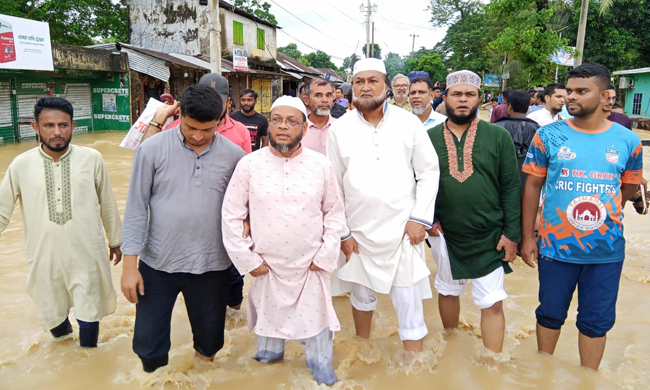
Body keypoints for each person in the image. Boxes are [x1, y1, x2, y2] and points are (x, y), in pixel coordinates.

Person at [520, 62, 643, 371]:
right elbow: (532, 185)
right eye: (569, 91)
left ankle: (588, 379)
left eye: (580, 91)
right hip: (555, 247)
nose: (570, 97)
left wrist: (603, 214)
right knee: (549, 313)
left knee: (595, 321)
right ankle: (543, 374)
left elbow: (627, 190)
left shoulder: (628, 141)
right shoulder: (548, 135)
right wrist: (527, 237)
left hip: (605, 251)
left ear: (605, 96)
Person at [120, 85, 246, 373]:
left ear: (221, 118)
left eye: (208, 129)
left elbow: (243, 211)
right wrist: (130, 266)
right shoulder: (151, 150)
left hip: (212, 265)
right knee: (148, 346)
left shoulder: (234, 156)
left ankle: (201, 379)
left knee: (210, 343)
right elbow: (136, 208)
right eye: (191, 128)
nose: (199, 136)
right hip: (158, 264)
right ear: (180, 115)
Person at [222, 96, 345, 386]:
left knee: (317, 325)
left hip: (310, 266)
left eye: (291, 121)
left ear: (304, 127)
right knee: (268, 331)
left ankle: (320, 366)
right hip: (267, 265)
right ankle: (269, 361)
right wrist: (249, 262)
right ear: (268, 125)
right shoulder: (249, 165)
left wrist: (325, 256)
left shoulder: (320, 165)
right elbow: (231, 216)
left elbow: (334, 213)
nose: (282, 126)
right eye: (276, 119)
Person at [327, 58, 440, 353]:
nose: (365, 87)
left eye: (372, 81)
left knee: (409, 304)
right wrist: (343, 232)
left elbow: (429, 172)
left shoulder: (408, 123)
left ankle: (414, 368)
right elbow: (333, 185)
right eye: (359, 82)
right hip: (358, 232)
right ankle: (363, 353)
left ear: (386, 86)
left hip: (402, 230)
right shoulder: (339, 129)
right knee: (361, 298)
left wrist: (419, 219)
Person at [0, 97, 122, 348]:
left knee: (89, 315)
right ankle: (66, 353)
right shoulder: (20, 165)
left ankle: (88, 364)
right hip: (44, 257)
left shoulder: (92, 158)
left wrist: (116, 240)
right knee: (53, 316)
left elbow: (107, 202)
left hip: (87, 253)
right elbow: (2, 211)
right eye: (49, 126)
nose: (57, 132)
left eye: (63, 125)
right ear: (36, 128)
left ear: (73, 126)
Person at [427, 70, 522, 354]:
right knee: (446, 290)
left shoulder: (498, 136)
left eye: (470, 94)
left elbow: (511, 187)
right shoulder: (427, 138)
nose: (463, 100)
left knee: (492, 301)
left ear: (480, 99)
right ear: (445, 98)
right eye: (457, 94)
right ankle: (451, 349)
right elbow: (417, 184)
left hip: (490, 234)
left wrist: (512, 234)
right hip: (445, 233)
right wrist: (428, 220)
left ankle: (492, 365)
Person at [494, 90, 540, 190]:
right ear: (528, 107)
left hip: (500, 184)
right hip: (530, 185)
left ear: (509, 106)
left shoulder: (495, 128)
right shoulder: (539, 130)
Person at [303, 78, 336, 154]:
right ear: (306, 100)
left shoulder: (341, 127)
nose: (324, 100)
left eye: (328, 95)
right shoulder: (298, 129)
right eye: (318, 95)